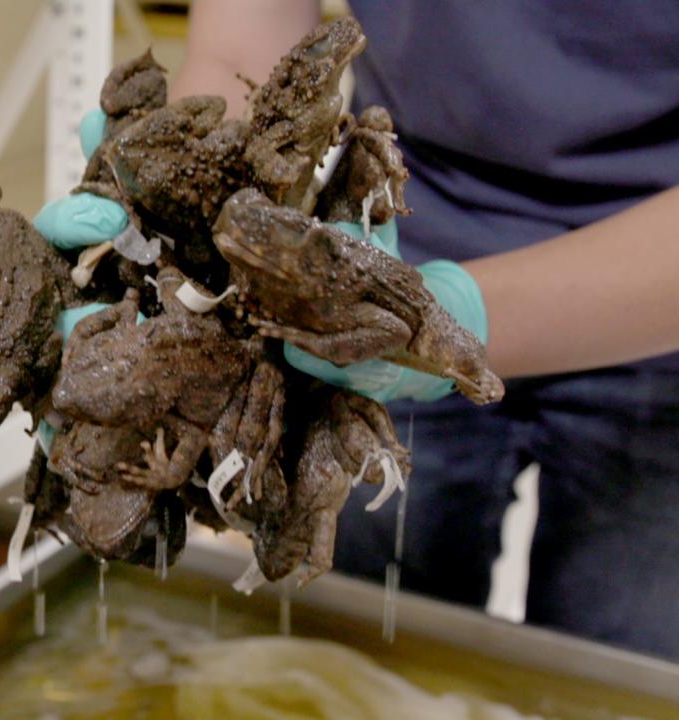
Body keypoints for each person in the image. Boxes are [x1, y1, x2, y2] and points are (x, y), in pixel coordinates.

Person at [39, 0, 679, 659]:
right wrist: (172, 228)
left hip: (653, 295)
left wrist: (434, 319)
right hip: (389, 232)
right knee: (350, 639)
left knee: (623, 665)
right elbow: (241, 53)